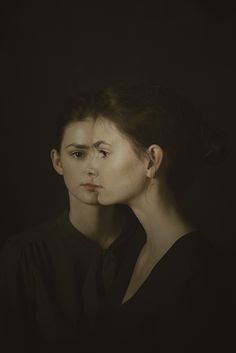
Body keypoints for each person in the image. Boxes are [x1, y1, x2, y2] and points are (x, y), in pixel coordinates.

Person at [42, 84, 230, 352]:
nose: (90, 169)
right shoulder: (137, 250)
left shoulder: (198, 272)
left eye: (103, 152)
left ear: (151, 160)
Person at [0, 99, 146, 353]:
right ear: (58, 162)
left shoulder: (149, 245)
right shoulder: (24, 254)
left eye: (104, 153)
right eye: (78, 154)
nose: (92, 169)